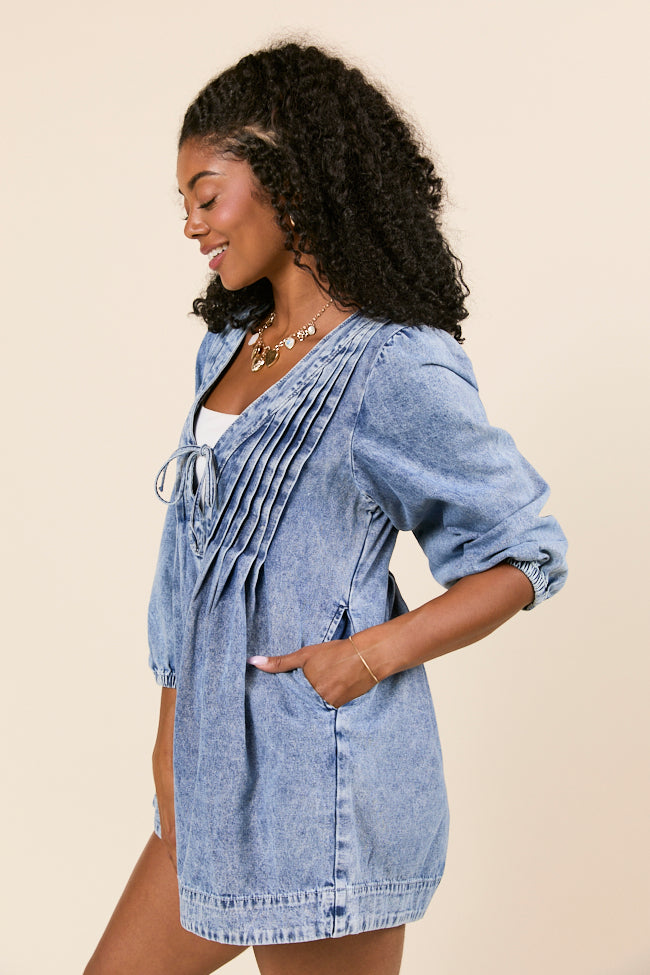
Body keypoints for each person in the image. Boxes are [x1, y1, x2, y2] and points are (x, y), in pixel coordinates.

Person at [84, 41, 567, 975]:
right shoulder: (230, 346)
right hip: (214, 769)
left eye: (206, 195)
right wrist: (169, 737)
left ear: (287, 181)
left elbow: (524, 553)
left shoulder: (393, 364)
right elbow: (190, 565)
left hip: (324, 778)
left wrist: (365, 656)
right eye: (183, 202)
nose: (190, 224)